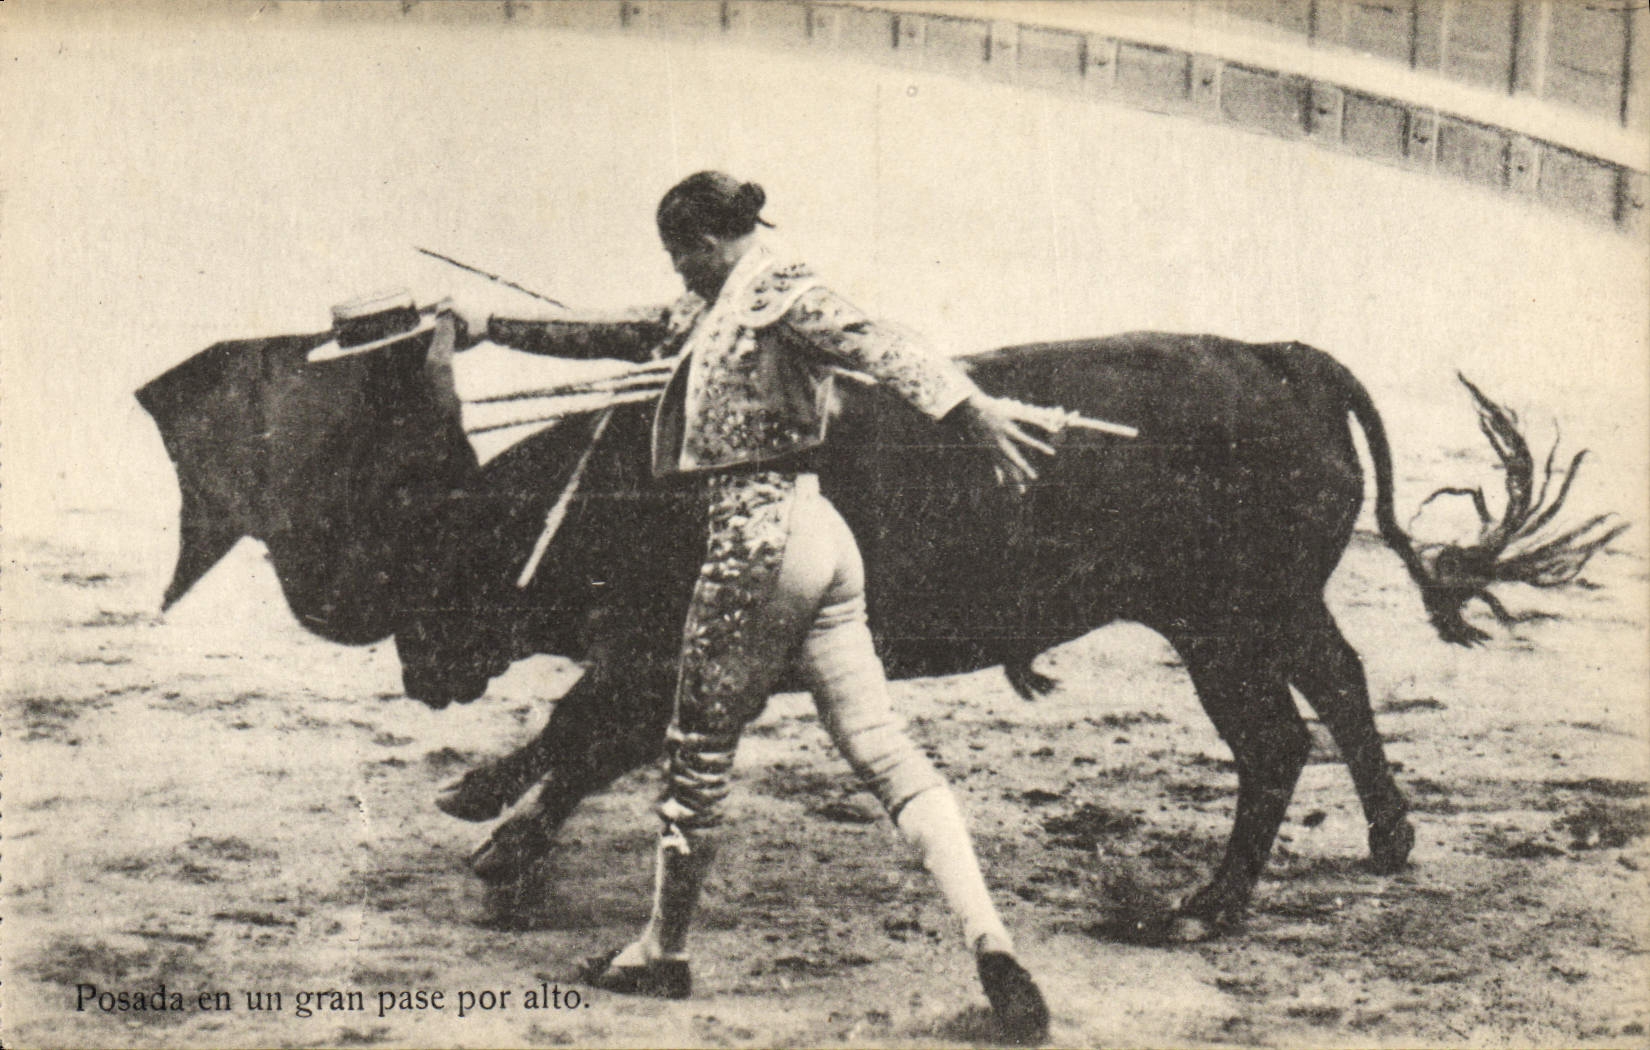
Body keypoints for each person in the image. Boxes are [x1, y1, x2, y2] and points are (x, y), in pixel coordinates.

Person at [451, 172, 1054, 1044]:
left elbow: (881, 343)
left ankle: (662, 952)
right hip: (822, 536)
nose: (676, 273)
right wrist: (490, 323)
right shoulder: (733, 300)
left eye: (678, 257)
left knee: (696, 762)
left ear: (702, 243)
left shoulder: (776, 294)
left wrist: (972, 411)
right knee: (886, 751)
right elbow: (619, 331)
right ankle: (991, 943)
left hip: (752, 543)